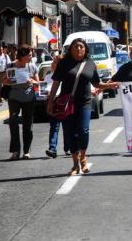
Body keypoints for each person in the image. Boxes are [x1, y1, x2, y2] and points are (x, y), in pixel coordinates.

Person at [47, 38, 117, 175]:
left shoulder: (90, 64)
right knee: (70, 132)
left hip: (84, 102)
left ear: (85, 49)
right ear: (71, 49)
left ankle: (83, 158)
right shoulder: (64, 64)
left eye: (81, 47)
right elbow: (55, 83)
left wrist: (110, 85)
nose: (79, 49)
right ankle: (75, 165)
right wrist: (50, 101)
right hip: (67, 103)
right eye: (76, 47)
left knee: (83, 130)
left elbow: (96, 84)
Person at [3, 45, 39, 160]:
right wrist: (8, 81)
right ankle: (15, 151)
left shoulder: (32, 66)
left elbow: (38, 83)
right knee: (13, 122)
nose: (31, 57)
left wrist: (31, 81)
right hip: (14, 97)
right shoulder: (11, 65)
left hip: (28, 98)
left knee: (27, 125)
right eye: (29, 55)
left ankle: (26, 151)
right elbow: (4, 80)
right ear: (22, 56)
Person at [45, 55, 70, 158]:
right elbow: (45, 88)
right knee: (54, 127)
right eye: (53, 62)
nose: (52, 64)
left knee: (66, 127)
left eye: (55, 63)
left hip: (64, 103)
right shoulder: (48, 76)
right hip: (53, 103)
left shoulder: (67, 76)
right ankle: (52, 148)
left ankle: (68, 148)